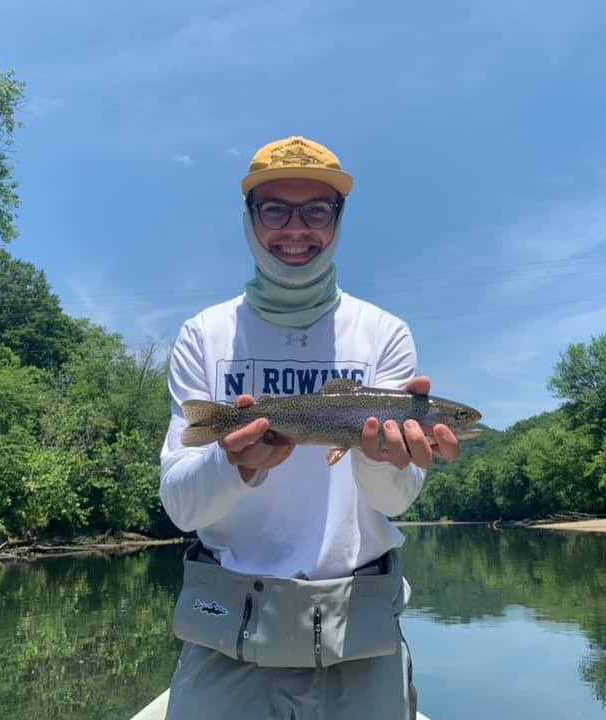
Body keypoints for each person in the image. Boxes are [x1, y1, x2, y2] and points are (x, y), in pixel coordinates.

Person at [159, 136, 462, 719]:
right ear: (250, 219)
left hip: (358, 629)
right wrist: (233, 463)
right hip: (225, 630)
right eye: (275, 209)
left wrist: (378, 456)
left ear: (338, 219)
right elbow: (182, 508)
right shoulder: (204, 333)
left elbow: (394, 503)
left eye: (316, 210)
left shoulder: (384, 333)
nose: (295, 229)